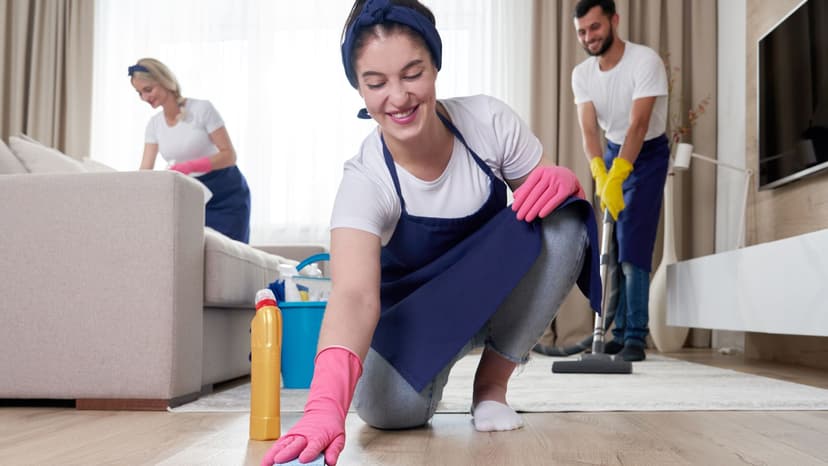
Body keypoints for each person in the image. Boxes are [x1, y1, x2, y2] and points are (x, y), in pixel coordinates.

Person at [261, 1, 602, 465]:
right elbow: (354, 295)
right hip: (416, 319)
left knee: (566, 220)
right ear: (358, 87)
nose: (398, 98)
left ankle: (491, 385)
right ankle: (430, 372)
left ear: (435, 65)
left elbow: (549, 219)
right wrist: (324, 406)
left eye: (412, 74)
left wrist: (564, 181)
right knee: (387, 411)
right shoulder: (365, 180)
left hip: (494, 293)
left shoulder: (488, 122)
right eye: (376, 83)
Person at [571, 0, 670, 361]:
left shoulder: (645, 61)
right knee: (612, 244)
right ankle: (619, 330)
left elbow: (639, 125)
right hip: (612, 153)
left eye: (595, 27)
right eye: (582, 31)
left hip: (648, 154)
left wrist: (622, 172)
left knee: (633, 243)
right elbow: (588, 130)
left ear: (614, 20)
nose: (589, 37)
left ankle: (635, 337)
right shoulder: (582, 74)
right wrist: (600, 171)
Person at [128, 58, 251, 243]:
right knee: (192, 252)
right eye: (139, 93)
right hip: (194, 197)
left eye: (148, 89)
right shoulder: (154, 125)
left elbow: (229, 155)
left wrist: (189, 167)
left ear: (164, 81)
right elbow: (145, 169)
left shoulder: (202, 109)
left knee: (230, 254)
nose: (144, 98)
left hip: (227, 194)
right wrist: (130, 191)